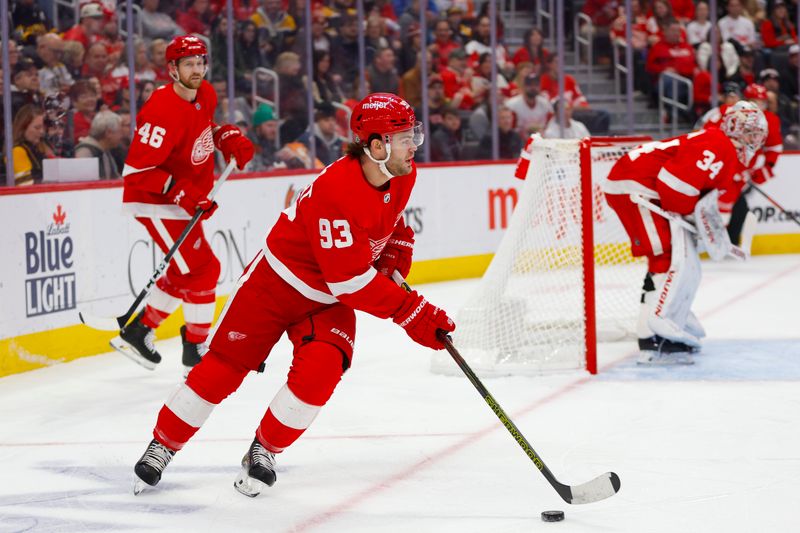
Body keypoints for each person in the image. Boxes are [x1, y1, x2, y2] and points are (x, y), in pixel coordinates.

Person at [130, 92, 455, 497]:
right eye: (406, 137)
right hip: (275, 286)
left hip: (325, 301)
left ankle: (263, 451)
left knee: (322, 371)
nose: (415, 145)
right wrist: (414, 312)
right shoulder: (337, 190)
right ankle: (162, 445)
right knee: (222, 370)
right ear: (376, 146)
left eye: (414, 134)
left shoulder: (402, 174)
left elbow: (388, 219)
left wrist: (397, 246)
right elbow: (349, 281)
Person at [112, 35, 254, 376]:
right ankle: (196, 347)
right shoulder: (160, 110)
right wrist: (181, 194)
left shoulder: (204, 93)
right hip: (153, 202)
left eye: (200, 62)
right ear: (172, 69)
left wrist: (225, 136)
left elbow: (202, 127)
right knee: (204, 270)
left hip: (182, 200)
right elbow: (136, 171)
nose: (197, 69)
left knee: (183, 272)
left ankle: (140, 330)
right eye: (188, 63)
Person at [603, 103, 767, 364]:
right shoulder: (718, 145)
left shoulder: (720, 146)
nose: (754, 140)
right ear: (734, 128)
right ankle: (652, 338)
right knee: (665, 258)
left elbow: (696, 199)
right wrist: (694, 219)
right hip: (635, 185)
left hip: (640, 184)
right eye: (750, 132)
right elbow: (675, 189)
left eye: (757, 134)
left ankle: (656, 333)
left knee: (667, 257)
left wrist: (704, 225)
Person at [12, 104, 55, 186]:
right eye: (37, 128)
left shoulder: (41, 148)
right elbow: (25, 185)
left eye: (43, 127)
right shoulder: (17, 151)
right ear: (23, 128)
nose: (42, 132)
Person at [74, 110, 124, 179]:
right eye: (120, 131)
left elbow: (116, 179)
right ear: (108, 133)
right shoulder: (85, 152)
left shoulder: (105, 151)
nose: (122, 136)